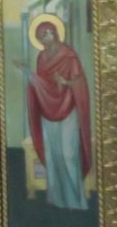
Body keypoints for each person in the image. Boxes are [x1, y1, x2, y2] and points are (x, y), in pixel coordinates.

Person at [23, 19, 92, 211]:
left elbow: (79, 83)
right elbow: (41, 84)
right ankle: (58, 198)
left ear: (55, 33)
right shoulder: (41, 58)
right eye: (40, 36)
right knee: (53, 154)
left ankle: (76, 200)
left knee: (69, 154)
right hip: (48, 109)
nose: (44, 38)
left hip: (68, 108)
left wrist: (65, 82)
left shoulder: (68, 55)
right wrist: (31, 76)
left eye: (47, 33)